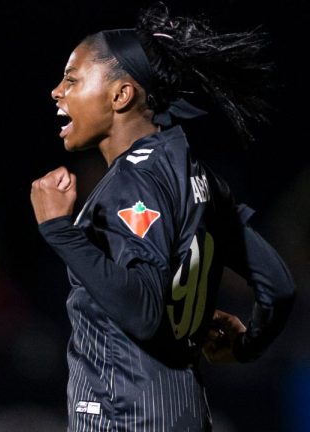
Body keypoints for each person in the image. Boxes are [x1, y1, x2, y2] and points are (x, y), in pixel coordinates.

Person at [30, 2, 295, 431]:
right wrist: (244, 345)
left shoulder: (131, 184)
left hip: (126, 417)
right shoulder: (198, 175)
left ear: (121, 94)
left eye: (72, 79)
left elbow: (146, 312)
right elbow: (278, 287)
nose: (56, 91)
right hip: (185, 412)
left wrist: (60, 231)